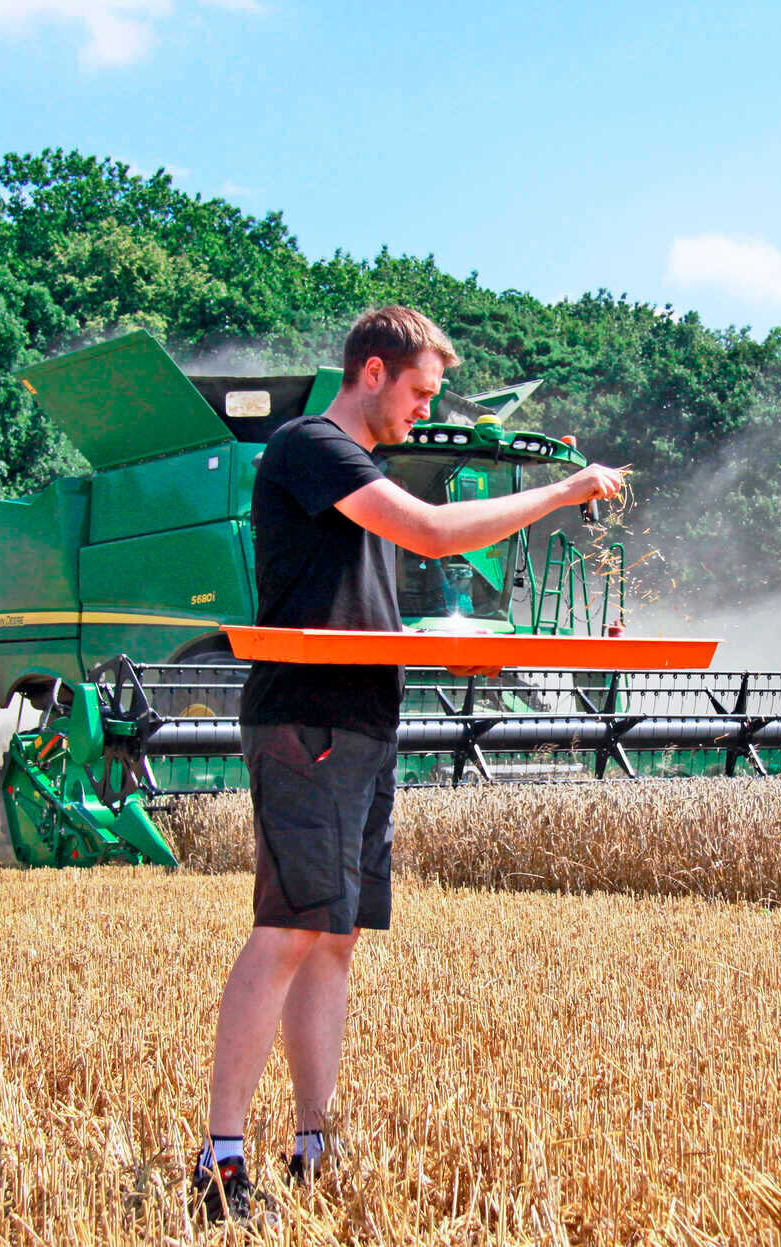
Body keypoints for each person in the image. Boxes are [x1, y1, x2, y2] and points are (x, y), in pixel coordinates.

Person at [191, 306, 624, 1222]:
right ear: (375, 371)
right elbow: (431, 533)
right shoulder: (311, 447)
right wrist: (561, 491)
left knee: (334, 938)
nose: (422, 414)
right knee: (288, 927)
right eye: (421, 393)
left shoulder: (363, 471)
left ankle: (314, 1142)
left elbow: (388, 584)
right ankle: (220, 1159)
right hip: (305, 717)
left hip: (360, 718)